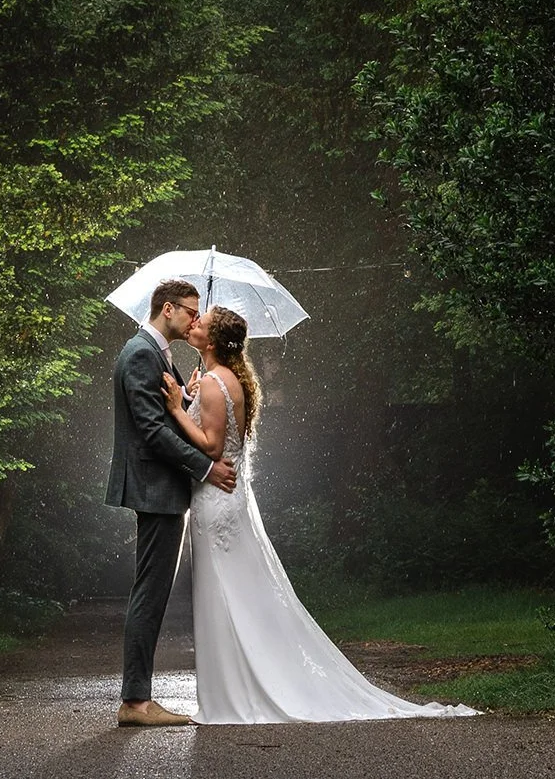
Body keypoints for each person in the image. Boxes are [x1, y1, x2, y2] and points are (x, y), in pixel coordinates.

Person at [158, 304, 479, 723]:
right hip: (225, 501)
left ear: (213, 341)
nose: (194, 323)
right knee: (235, 592)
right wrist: (190, 394)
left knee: (223, 591)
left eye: (202, 321)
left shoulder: (219, 384)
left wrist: (178, 410)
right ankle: (233, 686)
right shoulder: (221, 380)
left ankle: (234, 693)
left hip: (217, 500)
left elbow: (213, 447)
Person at [105, 278, 235, 727]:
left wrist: (185, 397)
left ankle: (135, 698)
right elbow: (153, 432)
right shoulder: (141, 352)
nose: (195, 320)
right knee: (151, 590)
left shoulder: (155, 352)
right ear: (168, 309)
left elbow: (164, 415)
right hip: (156, 489)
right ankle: (136, 702)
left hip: (159, 488)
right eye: (191, 312)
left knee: (152, 589)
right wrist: (206, 467)